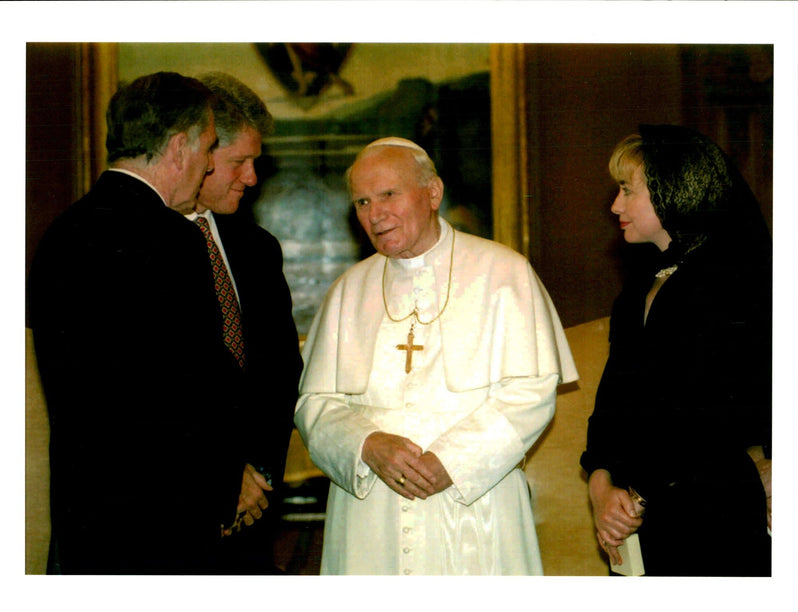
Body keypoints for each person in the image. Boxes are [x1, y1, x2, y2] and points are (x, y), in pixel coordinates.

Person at [294, 137, 578, 575]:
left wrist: (454, 459)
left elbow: (532, 390)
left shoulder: (503, 271)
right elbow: (314, 403)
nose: (375, 213)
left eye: (389, 194)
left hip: (477, 505)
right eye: (362, 201)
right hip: (372, 512)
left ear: (433, 193)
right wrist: (366, 444)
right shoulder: (349, 290)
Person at [28, 72, 246, 574]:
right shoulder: (172, 239)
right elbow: (205, 384)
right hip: (163, 523)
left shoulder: (60, 234)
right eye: (209, 147)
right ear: (178, 147)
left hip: (83, 516)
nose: (211, 162)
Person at [580, 124, 772, 576]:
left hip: (712, 517)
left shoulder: (738, 282)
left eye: (627, 190)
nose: (615, 205)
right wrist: (601, 489)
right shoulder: (637, 289)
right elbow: (610, 407)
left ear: (675, 190)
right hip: (636, 518)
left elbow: (721, 414)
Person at [186, 73, 303, 573]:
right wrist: (217, 480)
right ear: (199, 153)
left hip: (253, 520)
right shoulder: (138, 248)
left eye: (256, 161)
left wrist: (255, 479)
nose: (253, 178)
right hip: (171, 520)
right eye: (239, 162)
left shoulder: (258, 248)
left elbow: (280, 377)